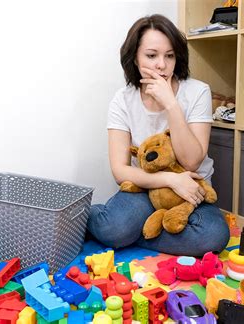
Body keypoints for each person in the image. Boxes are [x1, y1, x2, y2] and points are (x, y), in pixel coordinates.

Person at [87, 14, 229, 257]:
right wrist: (171, 179)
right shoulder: (123, 99)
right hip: (145, 188)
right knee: (113, 228)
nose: (162, 65)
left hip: (191, 192)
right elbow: (120, 171)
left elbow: (192, 161)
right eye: (151, 56)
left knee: (213, 235)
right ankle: (112, 227)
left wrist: (172, 105)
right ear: (135, 57)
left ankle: (132, 236)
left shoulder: (197, 92)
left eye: (170, 55)